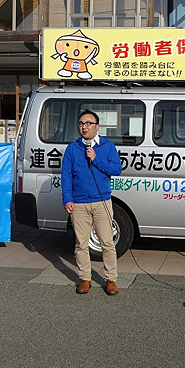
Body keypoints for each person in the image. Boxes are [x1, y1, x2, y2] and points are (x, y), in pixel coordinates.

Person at [61, 109, 122, 295]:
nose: (84, 127)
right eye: (81, 123)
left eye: (88, 123)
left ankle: (111, 279)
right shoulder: (73, 148)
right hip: (78, 203)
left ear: (97, 126)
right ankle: (85, 278)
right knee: (81, 243)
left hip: (102, 201)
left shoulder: (107, 146)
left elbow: (116, 169)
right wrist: (67, 198)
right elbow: (66, 176)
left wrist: (96, 159)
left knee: (107, 242)